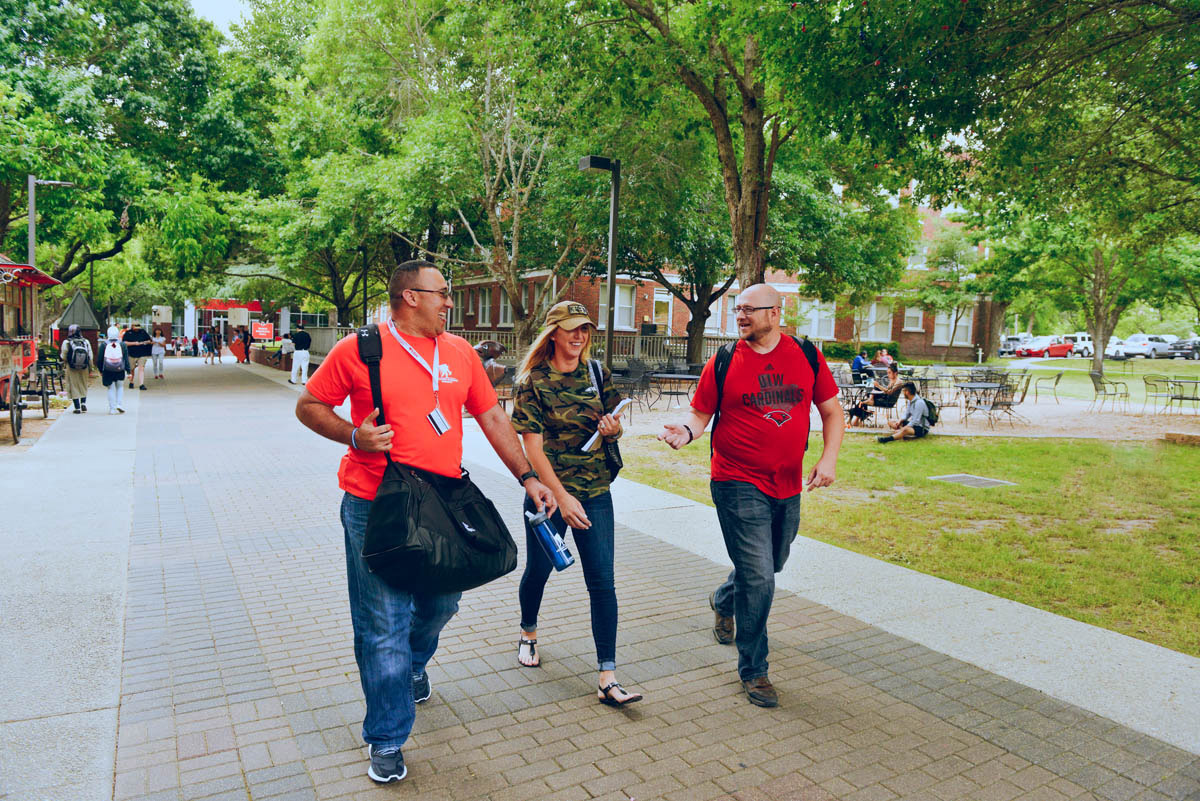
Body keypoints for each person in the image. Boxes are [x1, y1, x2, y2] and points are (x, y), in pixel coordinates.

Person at [295, 259, 555, 784]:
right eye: (443, 293)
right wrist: (353, 436)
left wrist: (528, 477)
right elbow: (308, 405)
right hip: (375, 504)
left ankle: (413, 665)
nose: (450, 302)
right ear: (410, 297)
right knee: (381, 623)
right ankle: (387, 736)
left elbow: (492, 417)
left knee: (442, 600)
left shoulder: (459, 352)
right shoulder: (361, 349)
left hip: (442, 503)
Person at [658, 283, 843, 708]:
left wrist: (828, 459)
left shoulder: (807, 355)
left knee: (770, 564)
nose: (739, 316)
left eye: (748, 310)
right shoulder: (723, 360)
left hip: (788, 482)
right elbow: (701, 412)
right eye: (736, 309)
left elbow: (831, 410)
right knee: (759, 575)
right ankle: (754, 670)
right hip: (736, 479)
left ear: (775, 313)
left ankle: (723, 598)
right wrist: (686, 432)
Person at [510, 301, 642, 707]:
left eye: (584, 329)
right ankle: (528, 630)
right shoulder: (533, 381)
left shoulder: (596, 373)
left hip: (596, 493)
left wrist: (613, 429)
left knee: (602, 581)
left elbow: (614, 423)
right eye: (571, 329)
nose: (579, 336)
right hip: (548, 496)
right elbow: (531, 450)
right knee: (539, 570)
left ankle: (607, 675)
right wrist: (561, 498)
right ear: (553, 333)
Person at [846, 362, 903, 428]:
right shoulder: (892, 380)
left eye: (889, 373)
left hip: (888, 402)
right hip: (884, 398)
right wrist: (877, 390)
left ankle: (854, 415)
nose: (888, 374)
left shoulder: (899, 382)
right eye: (887, 372)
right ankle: (858, 418)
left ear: (895, 373)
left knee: (863, 402)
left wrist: (878, 386)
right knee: (865, 398)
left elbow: (889, 392)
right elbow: (886, 391)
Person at [60, 324, 94, 413]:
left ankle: (77, 407)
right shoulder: (85, 341)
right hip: (84, 367)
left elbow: (63, 356)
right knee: (83, 384)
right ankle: (83, 403)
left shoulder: (66, 342)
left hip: (71, 367)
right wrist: (91, 368)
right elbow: (90, 356)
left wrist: (66, 362)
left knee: (73, 385)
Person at [99, 326, 131, 414]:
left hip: (107, 369)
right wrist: (128, 370)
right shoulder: (122, 344)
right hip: (120, 368)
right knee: (120, 387)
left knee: (110, 388)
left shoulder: (104, 344)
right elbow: (125, 358)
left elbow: (100, 359)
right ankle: (119, 404)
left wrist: (100, 370)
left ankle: (112, 408)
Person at [123, 322, 152, 390]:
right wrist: (134, 343)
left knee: (141, 368)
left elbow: (149, 340)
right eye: (135, 328)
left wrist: (145, 342)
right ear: (132, 326)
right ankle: (131, 382)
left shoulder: (143, 332)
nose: (137, 329)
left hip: (142, 353)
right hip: (131, 353)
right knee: (131, 369)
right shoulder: (128, 333)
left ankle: (141, 384)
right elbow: (124, 342)